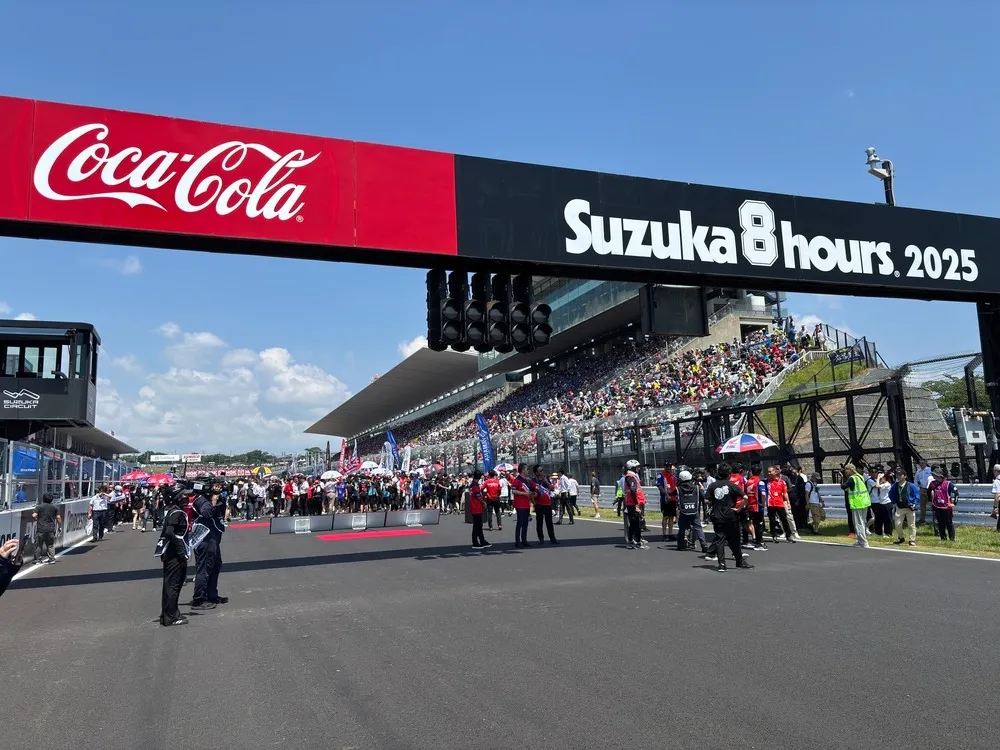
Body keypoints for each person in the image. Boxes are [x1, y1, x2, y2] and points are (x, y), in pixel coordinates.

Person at [707, 463, 752, 572]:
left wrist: (714, 503)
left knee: (720, 540)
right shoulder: (732, 485)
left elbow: (707, 500)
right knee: (734, 540)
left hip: (718, 516)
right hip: (731, 516)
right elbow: (746, 497)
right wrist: (739, 509)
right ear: (729, 474)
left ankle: (722, 564)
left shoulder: (712, 486)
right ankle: (739, 561)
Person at [191, 479, 228, 610]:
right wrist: (214, 498)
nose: (216, 487)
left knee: (216, 564)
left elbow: (220, 512)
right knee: (205, 566)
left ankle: (211, 594)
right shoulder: (200, 500)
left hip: (213, 536)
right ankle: (199, 599)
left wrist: (220, 499)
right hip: (205, 536)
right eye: (213, 485)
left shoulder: (209, 498)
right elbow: (207, 513)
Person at [159, 487, 190, 626]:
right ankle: (171, 616)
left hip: (170, 553)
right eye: (183, 495)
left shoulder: (172, 511)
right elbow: (170, 533)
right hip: (175, 555)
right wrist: (181, 550)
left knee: (170, 584)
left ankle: (168, 613)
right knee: (174, 584)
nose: (186, 498)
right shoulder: (177, 513)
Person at [675, 469, 708, 554]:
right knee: (698, 528)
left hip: (683, 511)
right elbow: (703, 497)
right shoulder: (696, 487)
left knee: (682, 528)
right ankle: (704, 545)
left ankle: (680, 545)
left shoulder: (678, 488)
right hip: (694, 510)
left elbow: (672, 495)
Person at [841, 464, 871, 549]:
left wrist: (842, 477)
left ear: (851, 470)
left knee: (858, 523)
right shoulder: (860, 477)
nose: (845, 471)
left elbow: (843, 486)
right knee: (862, 522)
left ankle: (863, 542)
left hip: (857, 502)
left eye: (846, 469)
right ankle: (860, 540)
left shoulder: (852, 478)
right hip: (864, 501)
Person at [889, 469, 919, 546]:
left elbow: (916, 495)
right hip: (900, 507)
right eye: (897, 475)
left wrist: (914, 503)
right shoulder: (895, 486)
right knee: (897, 524)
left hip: (909, 508)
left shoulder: (911, 485)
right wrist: (894, 502)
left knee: (911, 525)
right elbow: (891, 494)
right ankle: (901, 537)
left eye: (900, 475)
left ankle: (912, 540)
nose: (898, 476)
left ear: (905, 476)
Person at [623, 459, 647, 550]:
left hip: (632, 503)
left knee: (634, 523)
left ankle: (632, 541)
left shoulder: (631, 477)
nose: (638, 468)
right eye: (637, 467)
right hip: (633, 504)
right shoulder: (631, 477)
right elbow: (633, 490)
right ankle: (637, 542)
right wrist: (636, 505)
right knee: (636, 523)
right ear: (632, 468)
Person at [31, 493, 62, 565]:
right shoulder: (55, 508)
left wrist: (36, 518)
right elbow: (58, 518)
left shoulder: (39, 507)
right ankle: (51, 559)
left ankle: (38, 559)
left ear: (43, 499)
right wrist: (60, 527)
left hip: (41, 529)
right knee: (50, 545)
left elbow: (34, 515)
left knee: (38, 545)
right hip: (51, 529)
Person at [531, 465, 558, 544]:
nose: (542, 472)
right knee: (539, 522)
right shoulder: (533, 481)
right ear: (536, 473)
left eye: (542, 470)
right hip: (539, 504)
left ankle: (552, 538)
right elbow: (531, 493)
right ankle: (541, 539)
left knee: (549, 522)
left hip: (547, 503)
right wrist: (534, 503)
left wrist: (546, 482)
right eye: (540, 471)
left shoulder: (546, 479)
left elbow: (552, 488)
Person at [929, 469, 958, 542]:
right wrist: (931, 500)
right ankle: (943, 538)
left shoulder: (948, 484)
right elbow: (928, 492)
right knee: (940, 523)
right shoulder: (932, 483)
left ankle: (952, 539)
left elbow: (956, 493)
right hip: (937, 506)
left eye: (935, 475)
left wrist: (954, 503)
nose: (934, 476)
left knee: (949, 523)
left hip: (947, 507)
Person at [510, 464, 533, 548]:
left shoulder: (526, 480)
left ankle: (524, 540)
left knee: (525, 523)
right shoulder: (517, 480)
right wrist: (524, 493)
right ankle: (517, 541)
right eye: (527, 469)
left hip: (526, 504)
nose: (528, 470)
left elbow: (529, 491)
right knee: (520, 523)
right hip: (520, 505)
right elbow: (514, 490)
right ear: (522, 470)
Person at [468, 471, 491, 550]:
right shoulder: (475, 485)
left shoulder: (473, 484)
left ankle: (482, 540)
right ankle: (475, 542)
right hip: (476, 507)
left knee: (479, 525)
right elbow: (478, 496)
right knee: (477, 525)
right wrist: (483, 502)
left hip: (476, 506)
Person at [657, 463, 677, 541]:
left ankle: (670, 533)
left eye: (670, 467)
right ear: (665, 467)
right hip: (665, 499)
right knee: (665, 516)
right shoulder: (661, 475)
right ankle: (664, 534)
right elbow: (660, 487)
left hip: (673, 499)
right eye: (667, 467)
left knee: (671, 516)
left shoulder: (673, 476)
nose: (669, 468)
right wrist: (666, 495)